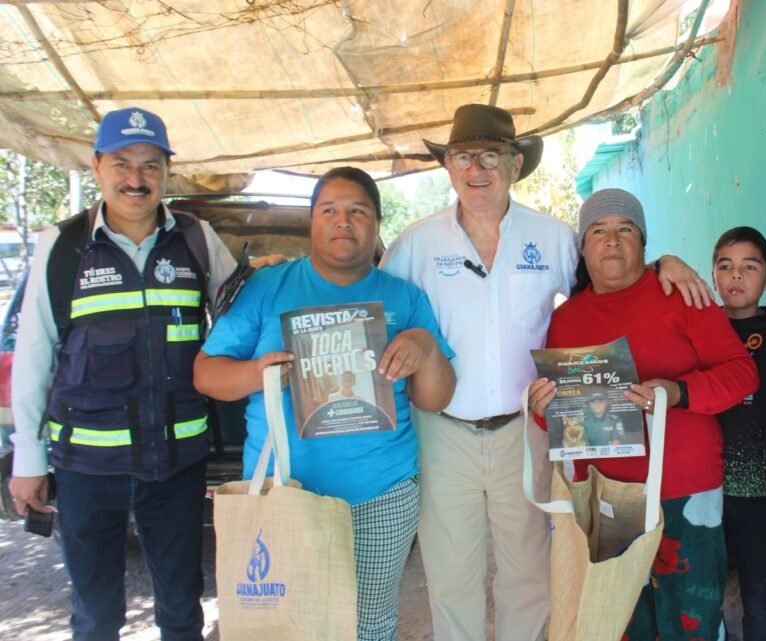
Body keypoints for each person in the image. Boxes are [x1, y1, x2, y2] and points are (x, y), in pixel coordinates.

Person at [380, 104, 713, 641]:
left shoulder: (552, 236)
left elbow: (610, 284)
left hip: (526, 428)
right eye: (464, 157)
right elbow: (381, 315)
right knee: (449, 573)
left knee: (529, 572)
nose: (477, 169)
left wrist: (661, 265)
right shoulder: (416, 244)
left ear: (515, 165)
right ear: (448, 167)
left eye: (491, 156)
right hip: (442, 431)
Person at [194, 167, 455, 641]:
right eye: (329, 210)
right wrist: (258, 373)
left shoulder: (404, 298)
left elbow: (434, 399)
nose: (344, 221)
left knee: (370, 624)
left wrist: (425, 345)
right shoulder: (267, 288)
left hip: (382, 491)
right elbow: (206, 373)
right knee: (287, 623)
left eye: (358, 211)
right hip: (285, 491)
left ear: (377, 223)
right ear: (311, 221)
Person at [8, 107, 239, 641]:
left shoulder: (196, 240)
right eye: (122, 163)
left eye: (151, 165)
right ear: (97, 166)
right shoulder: (61, 247)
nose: (136, 180)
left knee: (183, 611)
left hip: (176, 467)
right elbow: (35, 358)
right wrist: (28, 458)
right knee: (95, 617)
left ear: (165, 172)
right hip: (87, 470)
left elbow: (243, 316)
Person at [529, 188, 759, 641]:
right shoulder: (566, 319)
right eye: (599, 230)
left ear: (644, 242)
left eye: (625, 229)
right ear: (583, 246)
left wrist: (679, 392)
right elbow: (563, 415)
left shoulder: (682, 295)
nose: (612, 240)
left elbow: (742, 375)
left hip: (686, 493)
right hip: (610, 495)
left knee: (693, 620)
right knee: (622, 622)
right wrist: (543, 410)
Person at [712, 226, 766, 641]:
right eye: (725, 266)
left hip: (764, 492)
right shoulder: (702, 328)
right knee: (705, 596)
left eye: (749, 267)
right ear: (713, 276)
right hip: (707, 493)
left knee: (760, 596)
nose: (736, 276)